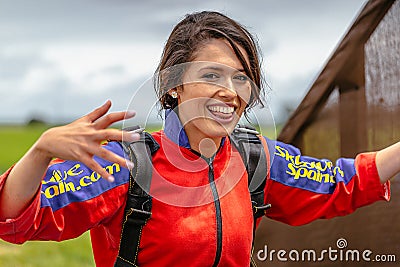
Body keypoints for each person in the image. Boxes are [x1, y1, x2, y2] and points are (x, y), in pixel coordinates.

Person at [0, 11, 398, 267]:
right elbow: (16, 218)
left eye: (241, 78)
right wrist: (40, 151)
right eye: (211, 75)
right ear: (173, 86)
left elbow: (342, 181)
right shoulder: (123, 163)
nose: (230, 91)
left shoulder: (257, 159)